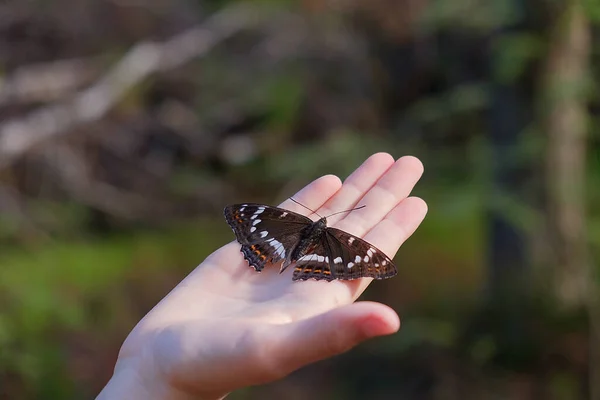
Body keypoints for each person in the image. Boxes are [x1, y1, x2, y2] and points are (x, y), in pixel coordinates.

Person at [96, 153, 428, 400]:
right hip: (303, 253)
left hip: (284, 247)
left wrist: (148, 381)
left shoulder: (288, 221)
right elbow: (245, 215)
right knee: (289, 246)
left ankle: (285, 258)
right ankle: (294, 261)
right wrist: (148, 377)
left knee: (289, 248)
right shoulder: (338, 240)